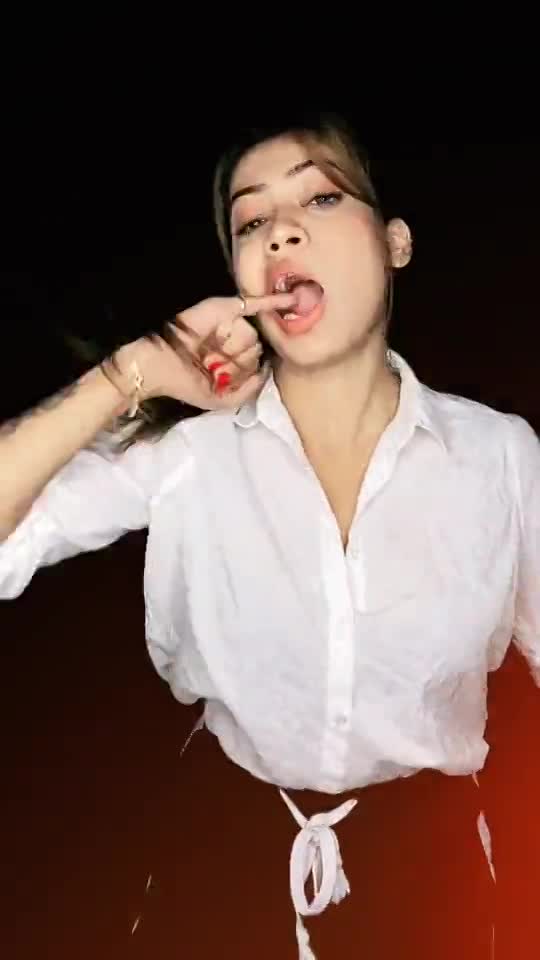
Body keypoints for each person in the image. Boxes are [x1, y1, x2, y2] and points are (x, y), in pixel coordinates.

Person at [1, 115, 539, 959]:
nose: (280, 231)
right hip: (217, 856)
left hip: (433, 881)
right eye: (251, 220)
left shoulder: (500, 456)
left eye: (321, 197)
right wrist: (136, 370)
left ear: (395, 242)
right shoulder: (189, 450)